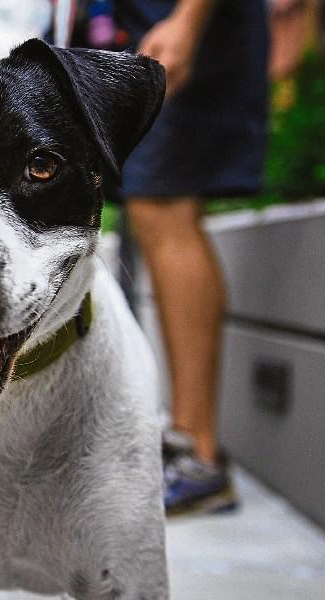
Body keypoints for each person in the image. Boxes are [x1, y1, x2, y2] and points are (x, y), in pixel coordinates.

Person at [102, 0, 270, 515]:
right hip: (143, 28)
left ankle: (198, 455)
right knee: (151, 205)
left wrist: (188, 21)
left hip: (179, 26)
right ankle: (184, 446)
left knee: (164, 203)